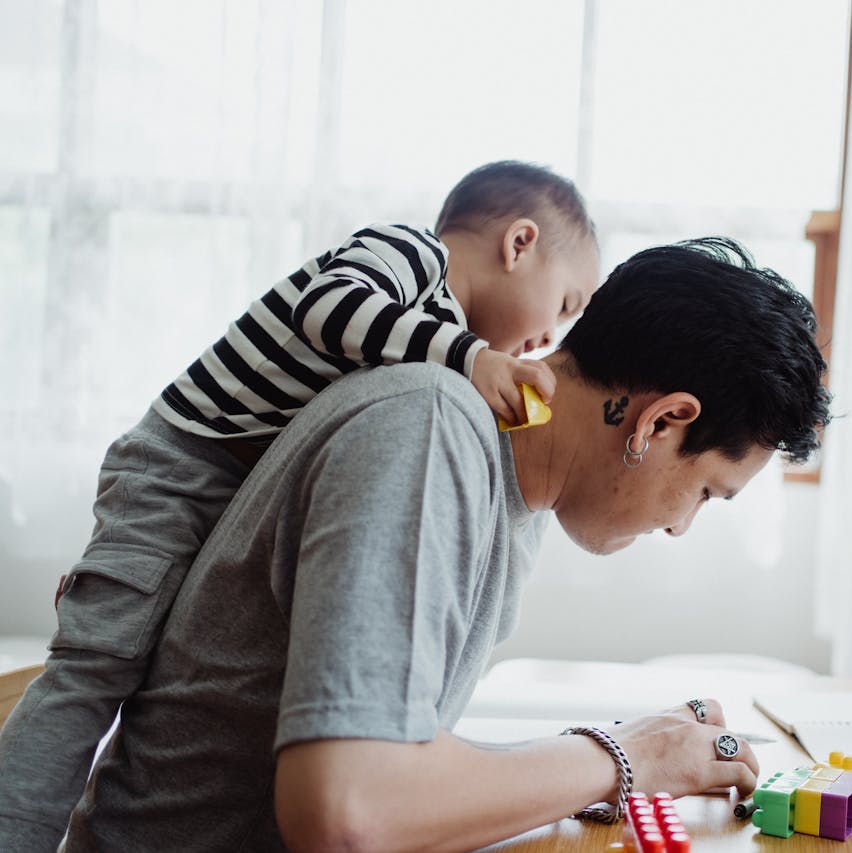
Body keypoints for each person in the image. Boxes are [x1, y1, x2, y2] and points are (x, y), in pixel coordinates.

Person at [55, 236, 831, 852]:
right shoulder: (429, 431)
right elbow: (349, 816)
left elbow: (399, 762)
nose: (679, 526)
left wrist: (620, 755)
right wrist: (624, 757)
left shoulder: (513, 490)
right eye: (704, 493)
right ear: (661, 420)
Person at [0, 161, 601, 851]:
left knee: (148, 655)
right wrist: (470, 357)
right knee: (93, 670)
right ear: (518, 243)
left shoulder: (429, 347)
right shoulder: (411, 255)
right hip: (178, 468)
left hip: (225, 490)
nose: (547, 341)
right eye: (563, 305)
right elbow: (327, 308)